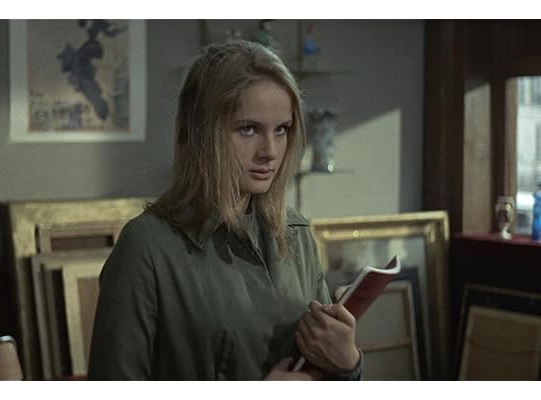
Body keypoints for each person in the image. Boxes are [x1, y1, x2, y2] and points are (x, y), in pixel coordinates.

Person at [87, 39, 362, 380]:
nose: (270, 151)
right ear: (201, 132)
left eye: (281, 129)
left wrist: (348, 365)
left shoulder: (297, 234)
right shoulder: (146, 247)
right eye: (248, 129)